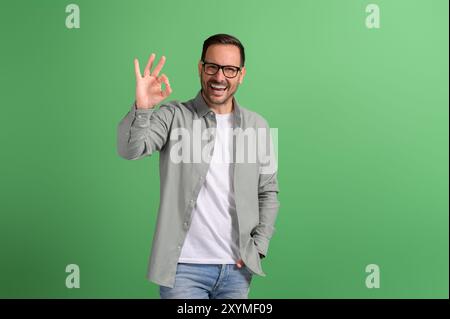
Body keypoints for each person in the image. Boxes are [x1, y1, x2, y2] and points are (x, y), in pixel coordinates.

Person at [117, 34, 280, 299]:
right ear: (200, 68)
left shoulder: (259, 126)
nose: (219, 77)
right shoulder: (173, 116)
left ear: (241, 75)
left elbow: (269, 192)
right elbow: (130, 150)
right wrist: (143, 108)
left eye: (230, 69)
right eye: (212, 67)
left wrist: (259, 246)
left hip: (237, 272)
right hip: (182, 271)